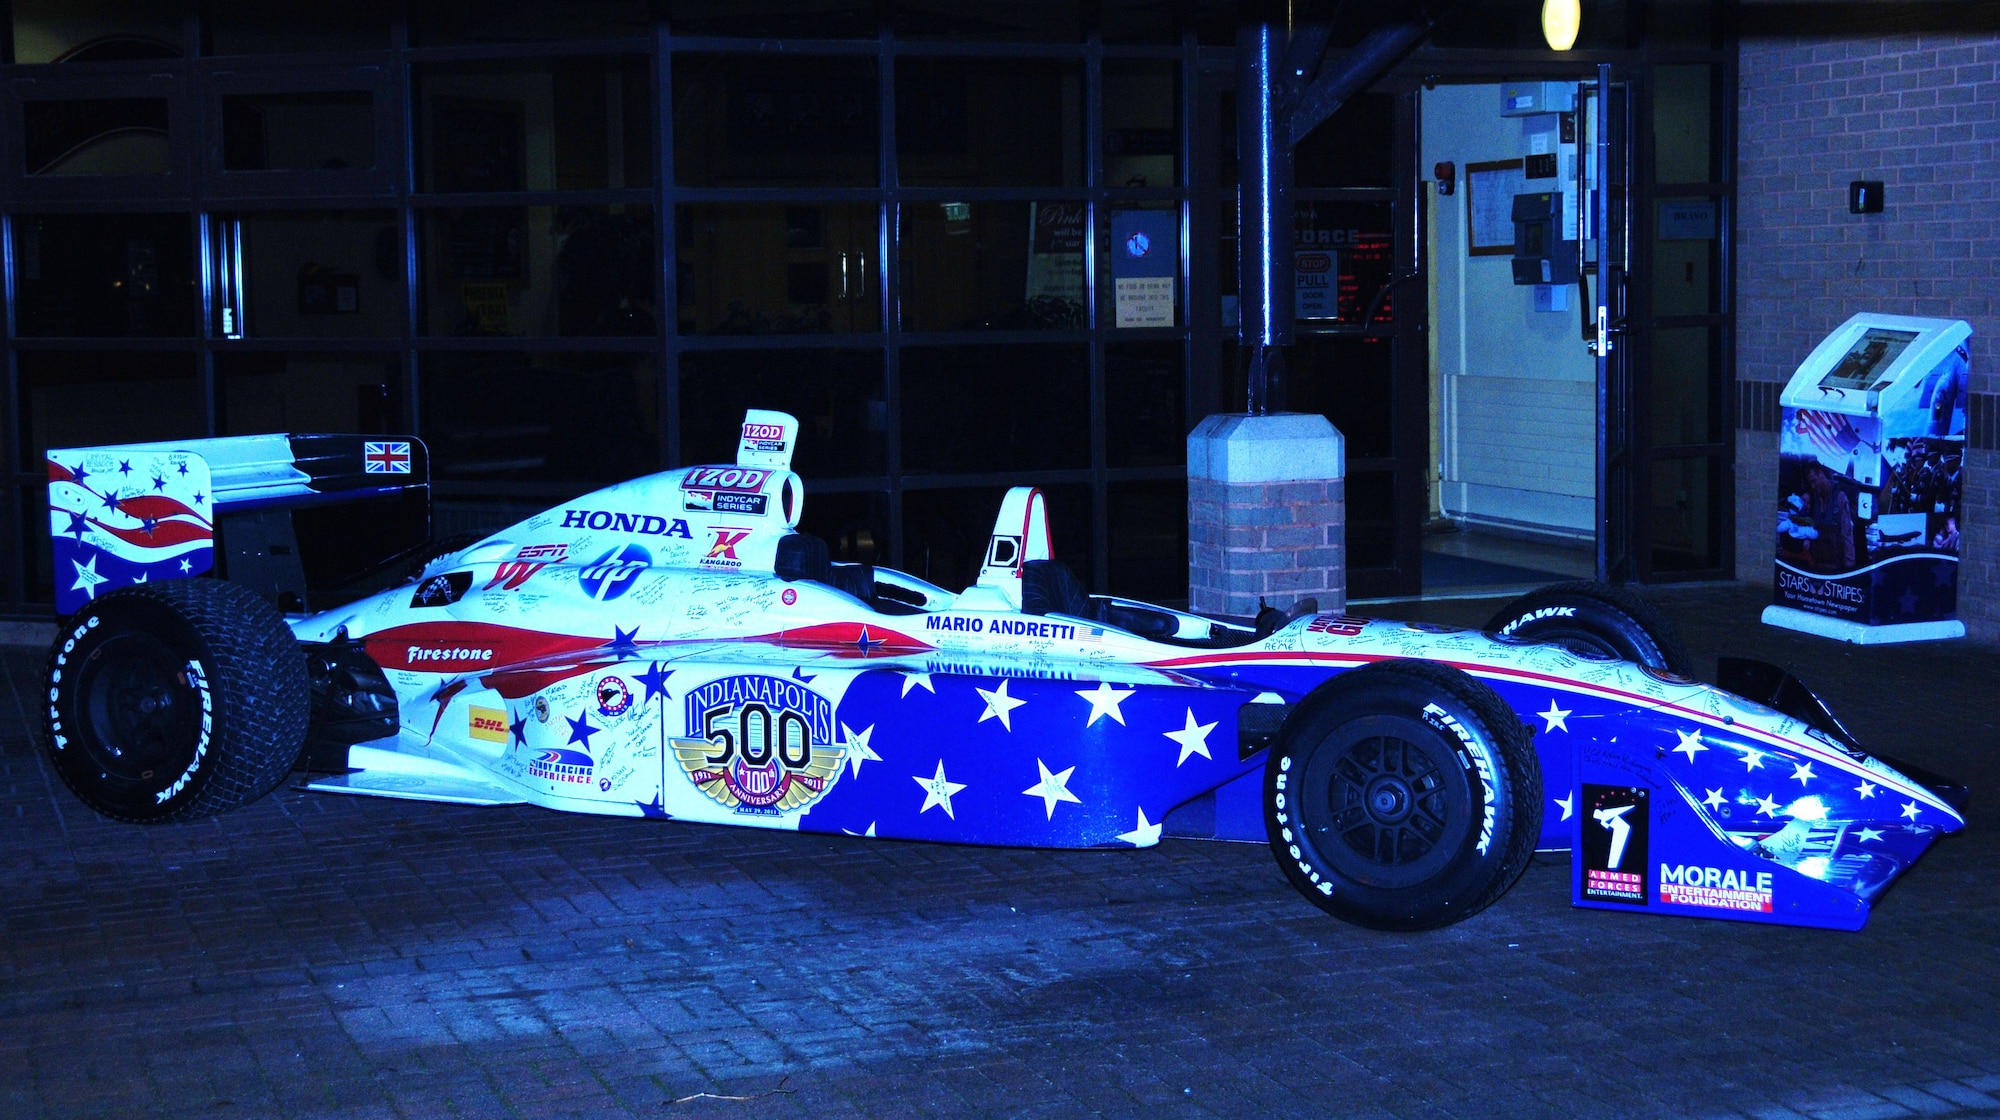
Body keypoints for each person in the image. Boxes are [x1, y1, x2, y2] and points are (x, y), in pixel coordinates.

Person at [1803, 463, 1855, 572]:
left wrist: (1849, 567)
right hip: (1816, 563)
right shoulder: (1812, 498)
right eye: (1810, 483)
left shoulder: (1840, 498)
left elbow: (1847, 534)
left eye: (1814, 481)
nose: (1813, 486)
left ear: (1821, 474)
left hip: (1836, 565)